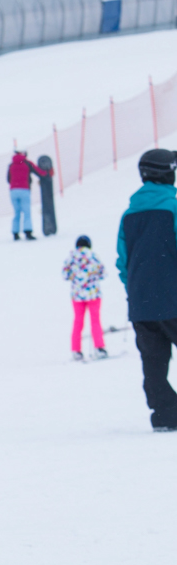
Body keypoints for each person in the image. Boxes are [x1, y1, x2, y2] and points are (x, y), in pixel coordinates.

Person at [117, 149, 177, 430]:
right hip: (173, 298)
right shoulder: (173, 208)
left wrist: (139, 289)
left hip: (142, 304)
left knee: (153, 362)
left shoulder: (129, 214)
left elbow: (123, 261)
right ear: (167, 173)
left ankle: (165, 414)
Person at [63, 235, 108, 362]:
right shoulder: (92, 256)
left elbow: (65, 275)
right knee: (95, 321)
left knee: (78, 322)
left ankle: (76, 350)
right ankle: (99, 347)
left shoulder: (71, 257)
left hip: (77, 295)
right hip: (93, 294)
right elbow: (103, 273)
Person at [8, 148, 47, 240]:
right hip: (24, 190)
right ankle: (28, 232)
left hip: (13, 191)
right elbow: (40, 172)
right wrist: (47, 173)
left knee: (16, 213)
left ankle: (15, 233)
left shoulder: (11, 165)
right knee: (26, 212)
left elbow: (8, 179)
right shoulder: (27, 163)